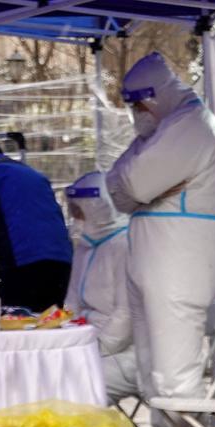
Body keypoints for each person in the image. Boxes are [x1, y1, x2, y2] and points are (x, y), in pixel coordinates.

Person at [107, 51, 215, 427]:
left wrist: (138, 189)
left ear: (157, 97)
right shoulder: (166, 128)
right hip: (157, 256)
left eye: (141, 105)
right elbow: (117, 185)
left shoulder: (192, 126)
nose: (137, 116)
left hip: (179, 259)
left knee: (175, 377)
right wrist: (136, 187)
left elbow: (132, 187)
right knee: (152, 369)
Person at [0, 139, 72, 311]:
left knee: (15, 326)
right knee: (48, 324)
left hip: (23, 263)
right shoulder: (34, 174)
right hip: (62, 261)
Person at [64, 172, 138, 406]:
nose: (75, 216)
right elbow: (71, 304)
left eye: (79, 210)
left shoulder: (126, 245)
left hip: (125, 353)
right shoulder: (84, 248)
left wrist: (94, 348)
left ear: (97, 208)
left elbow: (125, 316)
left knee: (70, 381)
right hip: (86, 344)